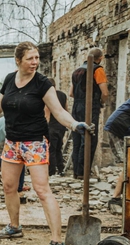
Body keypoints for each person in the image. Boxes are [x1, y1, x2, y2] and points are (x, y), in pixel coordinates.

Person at [0, 42, 94, 245]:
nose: (35, 62)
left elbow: (59, 112)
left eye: (37, 58)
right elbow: (2, 102)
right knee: (9, 186)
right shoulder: (10, 79)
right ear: (18, 60)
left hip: (34, 143)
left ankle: (57, 242)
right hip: (12, 142)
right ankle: (14, 226)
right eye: (30, 58)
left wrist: (75, 124)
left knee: (42, 190)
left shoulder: (41, 84)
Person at [69, 48, 109, 179]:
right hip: (90, 105)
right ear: (101, 58)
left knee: (77, 138)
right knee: (90, 138)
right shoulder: (97, 69)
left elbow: (71, 93)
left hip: (76, 106)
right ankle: (83, 172)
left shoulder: (77, 71)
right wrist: (101, 103)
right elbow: (105, 92)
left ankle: (77, 171)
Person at [104, 98, 130, 208]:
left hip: (121, 126)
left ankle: (116, 197)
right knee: (128, 164)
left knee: (128, 164)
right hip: (119, 127)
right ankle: (115, 198)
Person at [46, 78, 69, 176]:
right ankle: (60, 169)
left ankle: (51, 171)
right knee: (58, 148)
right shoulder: (62, 95)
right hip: (61, 126)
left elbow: (47, 114)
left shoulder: (48, 96)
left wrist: (45, 128)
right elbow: (66, 110)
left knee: (51, 149)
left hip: (52, 126)